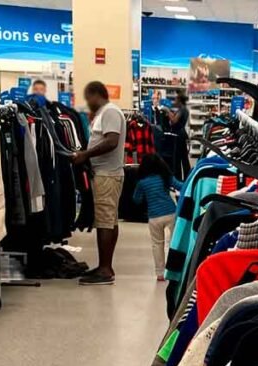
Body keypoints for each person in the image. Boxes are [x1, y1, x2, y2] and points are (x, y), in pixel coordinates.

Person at [72, 81, 127, 286]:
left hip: (107, 175)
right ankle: (105, 265)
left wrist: (85, 155)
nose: (88, 103)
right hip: (106, 174)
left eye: (89, 98)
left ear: (97, 95)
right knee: (109, 221)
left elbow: (112, 141)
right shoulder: (105, 113)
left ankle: (105, 270)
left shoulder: (110, 112)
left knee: (104, 221)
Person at [132, 154, 186, 282]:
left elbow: (136, 199)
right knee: (174, 242)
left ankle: (160, 273)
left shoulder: (142, 182)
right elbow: (181, 186)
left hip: (154, 217)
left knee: (157, 244)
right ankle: (174, 270)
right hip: (170, 213)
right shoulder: (165, 177)